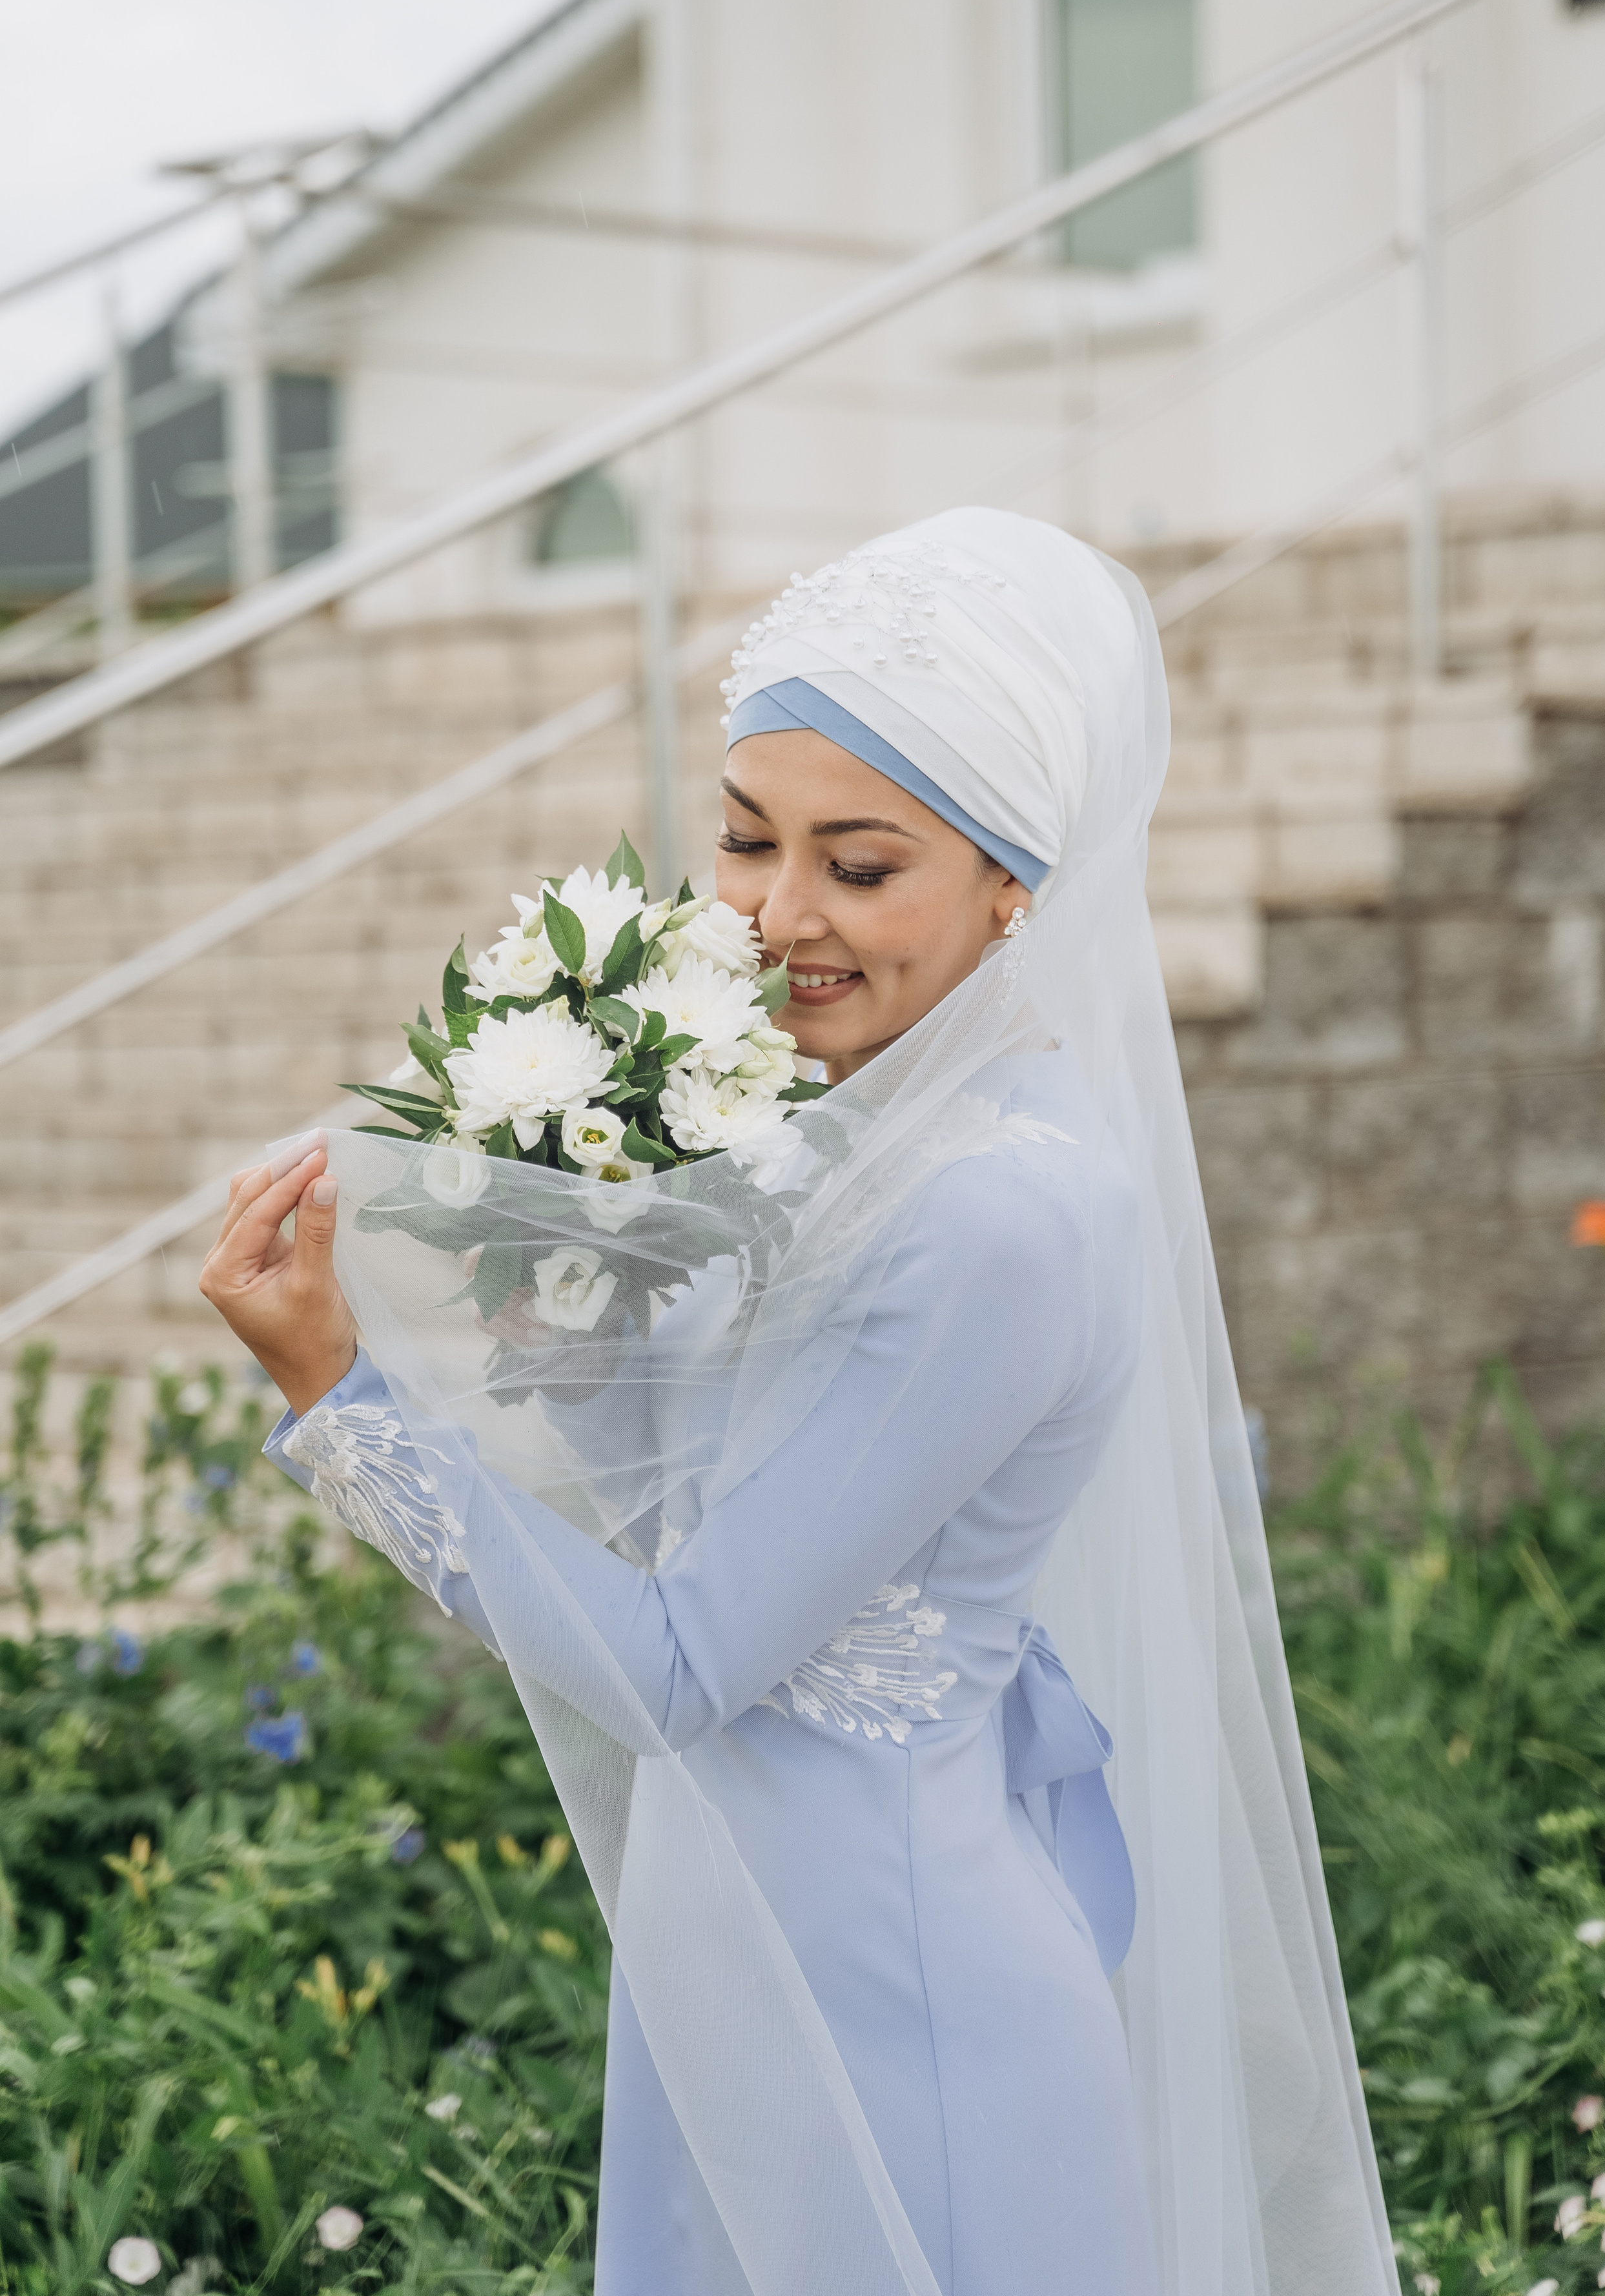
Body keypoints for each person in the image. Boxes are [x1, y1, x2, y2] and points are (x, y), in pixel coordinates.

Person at [201, 509, 1398, 2296]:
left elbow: (676, 1665)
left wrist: (341, 1402)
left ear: (1015, 885)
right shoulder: (840, 1131)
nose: (778, 917)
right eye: (750, 838)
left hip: (895, 1994)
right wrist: (571, 1294)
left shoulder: (999, 1213)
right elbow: (699, 1509)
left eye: (863, 864)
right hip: (754, 1949)